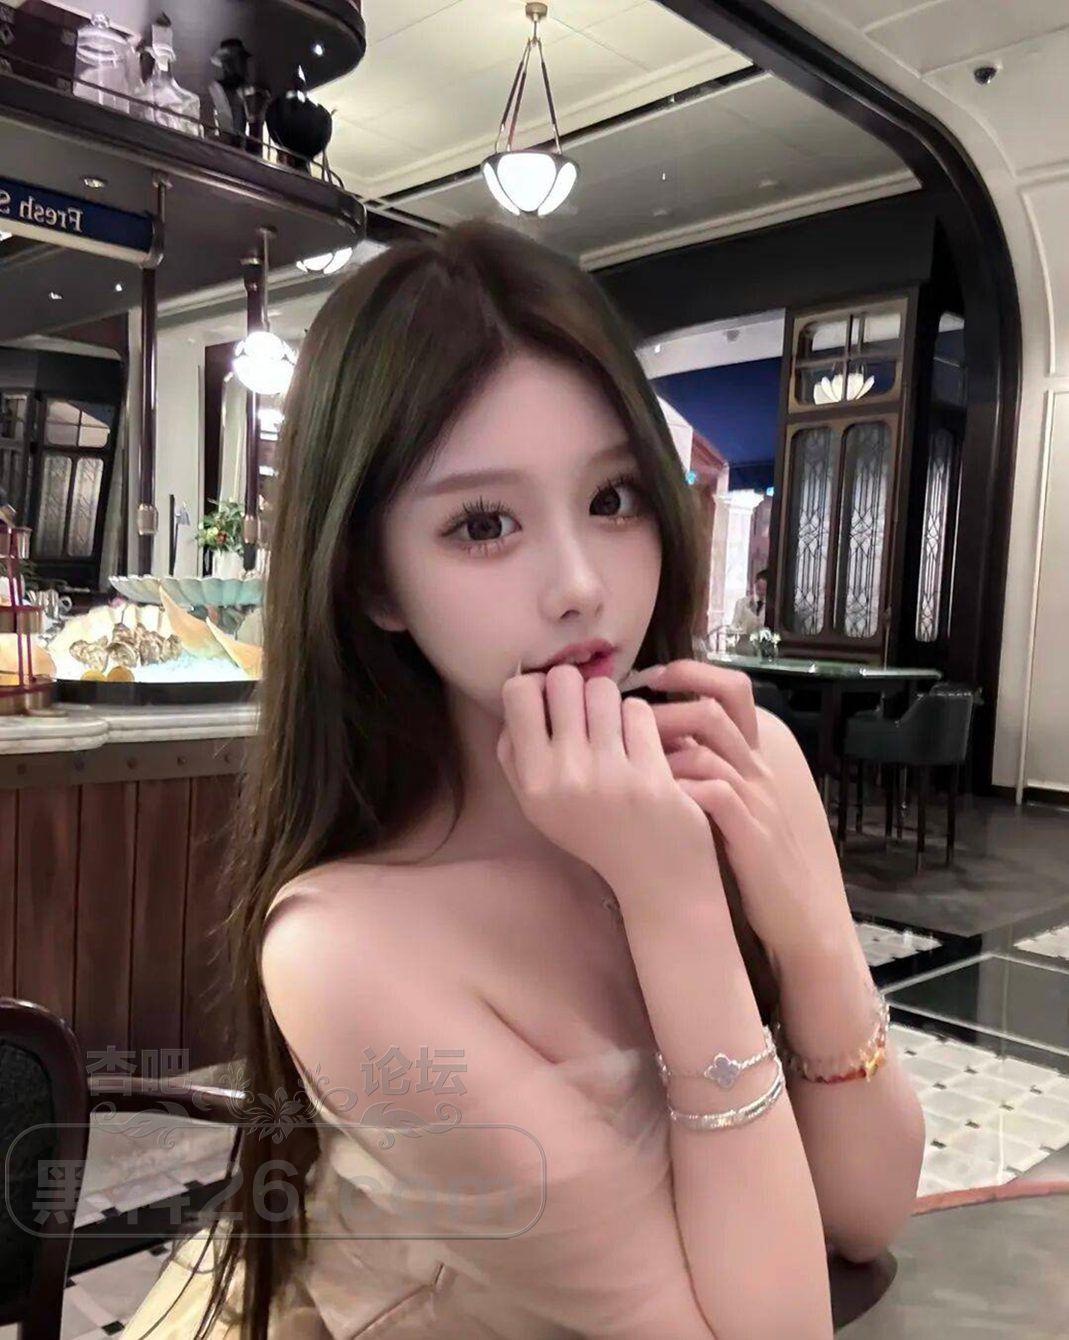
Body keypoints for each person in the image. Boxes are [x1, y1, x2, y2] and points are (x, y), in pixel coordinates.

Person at [124, 221, 924, 1340]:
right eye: (484, 523)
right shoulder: (349, 948)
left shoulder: (738, 765)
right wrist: (676, 905)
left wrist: (809, 933)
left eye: (613, 497)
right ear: (373, 580)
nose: (580, 584)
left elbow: (866, 1210)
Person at [730, 568, 768, 654]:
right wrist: (739, 630)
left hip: (763, 651)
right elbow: (734, 625)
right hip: (744, 648)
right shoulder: (742, 603)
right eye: (759, 588)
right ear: (755, 585)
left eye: (764, 589)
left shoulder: (772, 607)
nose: (761, 592)